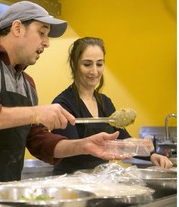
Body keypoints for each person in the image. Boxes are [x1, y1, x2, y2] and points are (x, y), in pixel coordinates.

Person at [0, 2, 132, 193]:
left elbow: (37, 140)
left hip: (3, 191)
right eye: (41, 33)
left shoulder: (27, 83)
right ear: (17, 28)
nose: (47, 43)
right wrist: (37, 113)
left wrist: (84, 145)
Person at [51, 37, 173, 175]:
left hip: (98, 181)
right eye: (87, 64)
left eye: (99, 64)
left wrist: (150, 154)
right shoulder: (62, 104)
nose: (94, 71)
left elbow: (122, 137)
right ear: (74, 65)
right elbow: (70, 149)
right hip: (70, 181)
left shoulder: (105, 102)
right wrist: (120, 146)